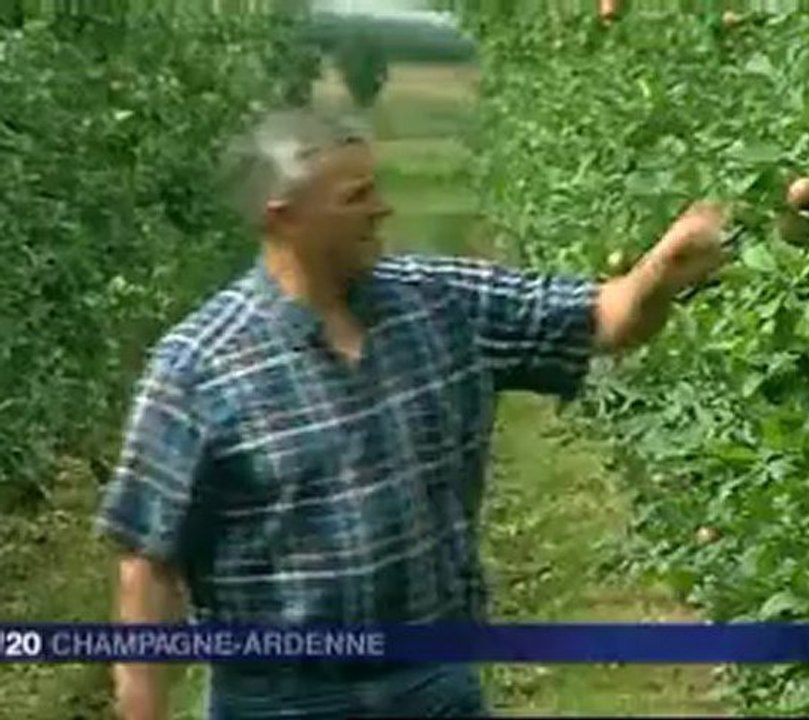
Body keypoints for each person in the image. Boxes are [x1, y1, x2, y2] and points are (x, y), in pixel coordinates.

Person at [95, 108, 729, 720]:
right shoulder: (198, 368)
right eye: (356, 196)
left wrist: (662, 270)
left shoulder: (438, 302)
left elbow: (603, 318)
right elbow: (149, 564)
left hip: (432, 684)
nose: (381, 208)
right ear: (284, 217)